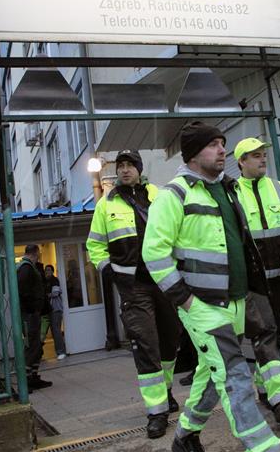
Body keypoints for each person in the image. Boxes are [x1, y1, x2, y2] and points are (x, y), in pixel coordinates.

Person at [143, 122, 280, 452]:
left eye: (222, 143)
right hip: (201, 305)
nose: (222, 150)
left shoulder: (229, 188)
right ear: (192, 155)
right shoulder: (173, 195)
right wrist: (185, 300)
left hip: (235, 301)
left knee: (211, 371)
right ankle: (263, 447)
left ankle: (186, 435)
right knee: (235, 375)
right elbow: (154, 253)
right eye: (213, 145)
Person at [87, 149, 180, 439]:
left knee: (170, 340)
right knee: (146, 343)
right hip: (133, 287)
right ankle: (156, 412)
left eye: (130, 165)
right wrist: (109, 271)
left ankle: (164, 389)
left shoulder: (160, 195)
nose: (125, 170)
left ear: (139, 169)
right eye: (121, 166)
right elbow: (94, 245)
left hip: (165, 280)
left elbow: (177, 231)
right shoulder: (106, 204)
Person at [234, 137, 280, 419]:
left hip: (279, 277)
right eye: (254, 156)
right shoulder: (232, 194)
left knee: (277, 329)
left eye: (263, 154)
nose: (262, 159)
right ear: (241, 162)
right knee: (265, 329)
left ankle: (264, 385)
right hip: (251, 281)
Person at [16, 244, 52, 391]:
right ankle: (26, 381)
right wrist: (33, 309)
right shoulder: (26, 268)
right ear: (36, 253)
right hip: (30, 315)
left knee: (36, 347)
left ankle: (33, 377)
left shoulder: (29, 267)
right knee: (31, 347)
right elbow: (24, 292)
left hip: (33, 314)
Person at [41, 264, 66, 360]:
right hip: (47, 310)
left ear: (52, 271)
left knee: (56, 331)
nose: (47, 272)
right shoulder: (44, 282)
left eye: (49, 270)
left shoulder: (55, 280)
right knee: (48, 332)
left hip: (55, 309)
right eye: (46, 270)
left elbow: (55, 293)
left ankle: (61, 351)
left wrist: (47, 295)